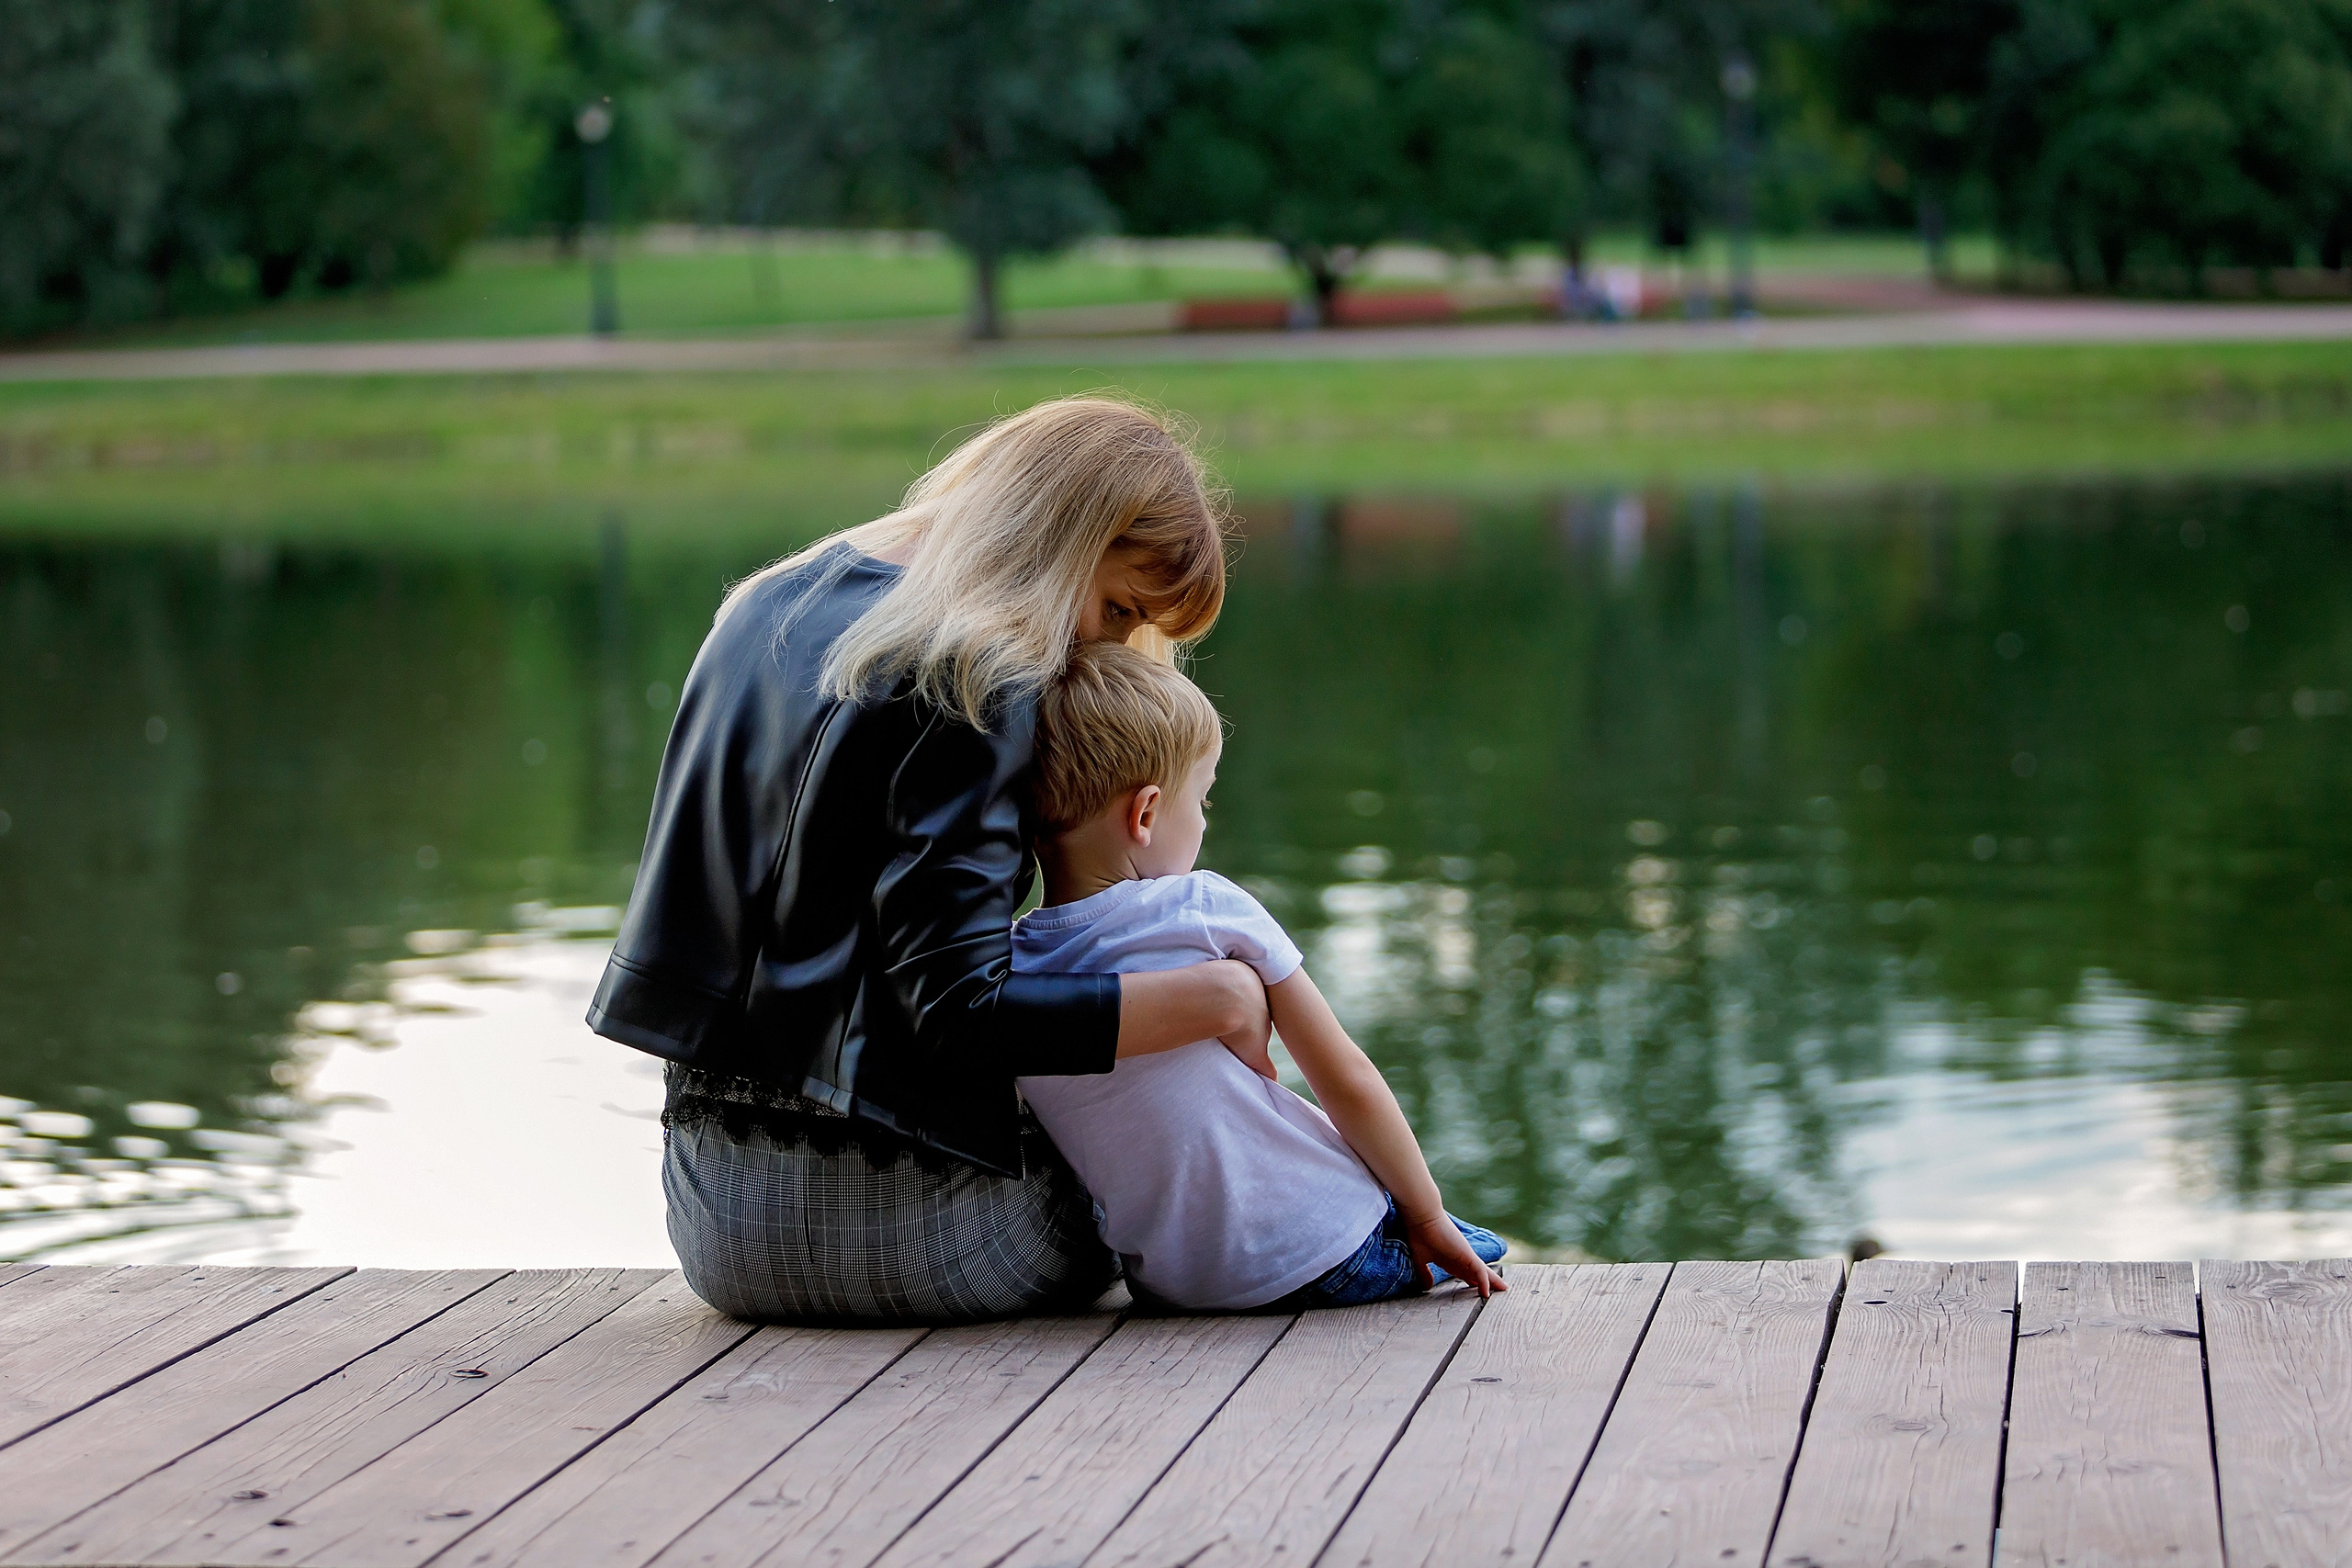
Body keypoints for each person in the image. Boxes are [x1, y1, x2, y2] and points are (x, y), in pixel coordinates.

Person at [589, 396, 1271, 1324]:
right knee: (1183, 1174)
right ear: (1065, 530)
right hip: (919, 1240)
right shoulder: (978, 668)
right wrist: (1218, 998)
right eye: (1115, 608)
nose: (1099, 651)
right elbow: (960, 1013)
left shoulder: (762, 604)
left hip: (711, 1220)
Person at [1013, 641, 1508, 1312]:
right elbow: (1348, 1079)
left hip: (1177, 1285)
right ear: (1147, 813)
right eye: (1204, 799)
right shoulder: (1203, 908)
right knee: (1476, 1241)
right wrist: (1425, 1215)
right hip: (1325, 1248)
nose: (1205, 820)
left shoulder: (1009, 971)